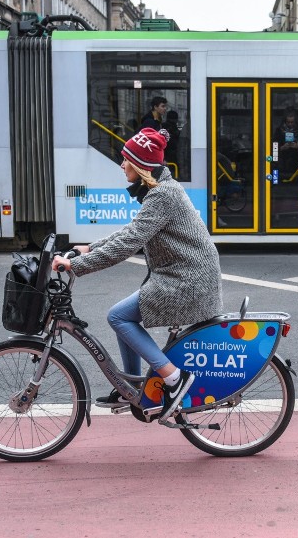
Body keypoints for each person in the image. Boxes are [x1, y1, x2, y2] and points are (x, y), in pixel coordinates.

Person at [51, 127, 223, 421]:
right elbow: (132, 231)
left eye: (125, 160)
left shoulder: (162, 195)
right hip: (181, 275)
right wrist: (89, 248)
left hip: (188, 281)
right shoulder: (160, 192)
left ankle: (174, 379)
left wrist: (77, 266)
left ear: (140, 165)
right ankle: (131, 386)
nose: (121, 165)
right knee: (124, 316)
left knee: (118, 316)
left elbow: (129, 243)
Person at [272, 109, 298, 179]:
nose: (290, 124)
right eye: (288, 122)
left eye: (292, 122)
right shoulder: (279, 131)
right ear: (285, 121)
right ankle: (275, 180)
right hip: (281, 159)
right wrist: (281, 148)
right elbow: (273, 146)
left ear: (295, 122)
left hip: (296, 160)